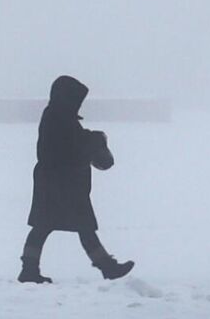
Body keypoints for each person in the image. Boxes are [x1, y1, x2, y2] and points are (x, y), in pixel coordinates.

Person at [20, 75, 134, 284]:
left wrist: (88, 139)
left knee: (52, 226)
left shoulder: (59, 117)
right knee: (67, 226)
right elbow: (64, 147)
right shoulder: (58, 118)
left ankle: (30, 269)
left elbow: (69, 143)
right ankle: (106, 267)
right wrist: (92, 140)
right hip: (59, 183)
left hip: (58, 183)